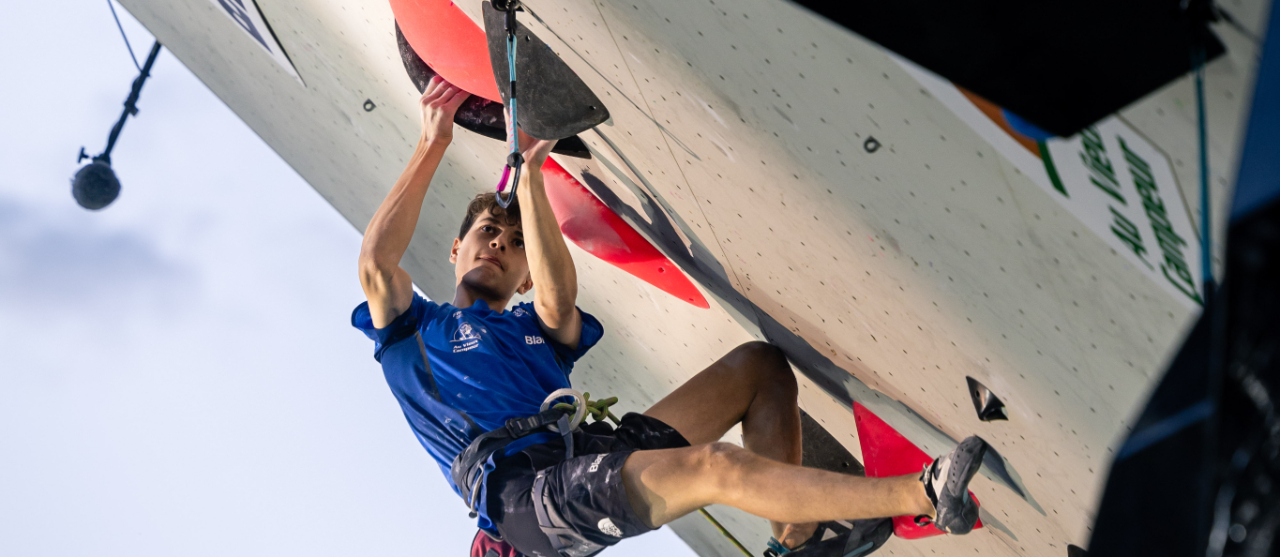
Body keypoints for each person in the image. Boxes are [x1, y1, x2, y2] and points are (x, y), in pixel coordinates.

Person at [354, 76, 989, 557]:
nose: (498, 242)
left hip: (584, 453)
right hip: (523, 502)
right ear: (456, 249)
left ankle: (796, 542)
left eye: (516, 242)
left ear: (525, 275)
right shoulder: (413, 333)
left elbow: (557, 301)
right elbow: (378, 264)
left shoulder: (534, 327)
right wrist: (433, 142)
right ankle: (924, 495)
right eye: (488, 232)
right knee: (716, 467)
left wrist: (531, 176)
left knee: (760, 368)